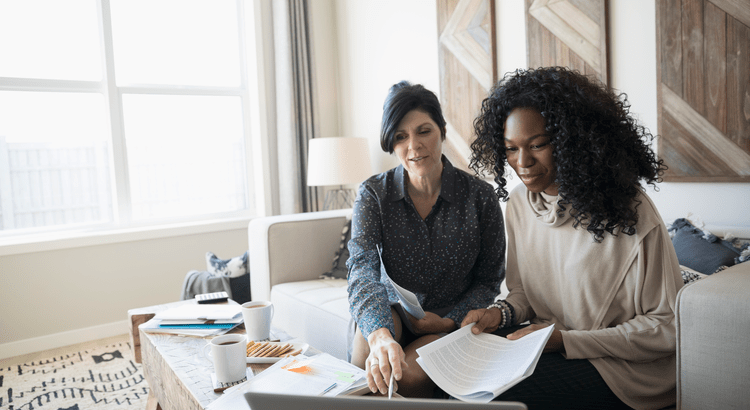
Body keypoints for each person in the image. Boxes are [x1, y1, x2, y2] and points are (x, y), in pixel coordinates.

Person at [462, 67, 684, 410]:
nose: (523, 162)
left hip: (625, 370)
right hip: (549, 344)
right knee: (462, 379)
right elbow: (524, 295)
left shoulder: (630, 209)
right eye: (510, 148)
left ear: (572, 139)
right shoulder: (521, 204)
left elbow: (667, 327)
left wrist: (567, 341)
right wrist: (499, 314)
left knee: (501, 399)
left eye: (537, 145)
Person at [346, 81, 505, 398]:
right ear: (391, 144)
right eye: (401, 137)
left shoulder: (481, 198)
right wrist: (379, 335)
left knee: (402, 379)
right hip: (389, 311)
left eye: (424, 131)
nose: (413, 146)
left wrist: (449, 321)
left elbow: (489, 281)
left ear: (442, 131)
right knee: (368, 363)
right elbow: (361, 268)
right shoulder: (373, 194)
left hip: (450, 322)